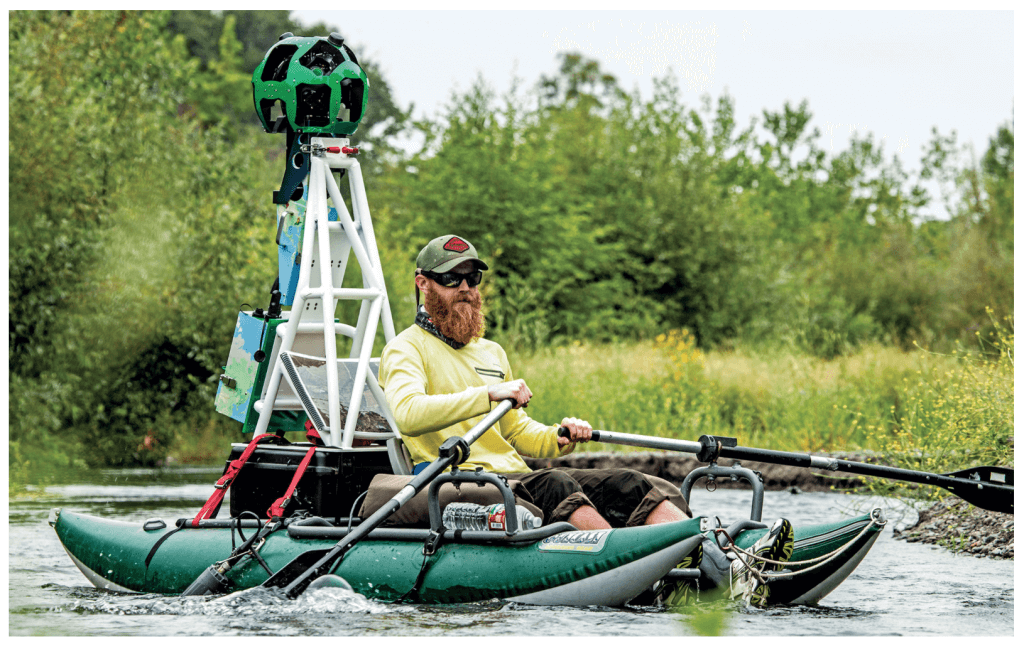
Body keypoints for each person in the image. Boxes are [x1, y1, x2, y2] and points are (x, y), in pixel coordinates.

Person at [378, 234, 793, 604]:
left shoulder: (492, 352)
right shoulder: (405, 349)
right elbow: (408, 414)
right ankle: (643, 570)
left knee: (630, 482)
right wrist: (487, 393)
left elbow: (518, 434)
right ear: (423, 283)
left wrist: (559, 437)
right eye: (453, 279)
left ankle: (720, 559)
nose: (466, 289)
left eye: (473, 279)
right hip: (462, 481)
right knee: (558, 483)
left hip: (514, 477)